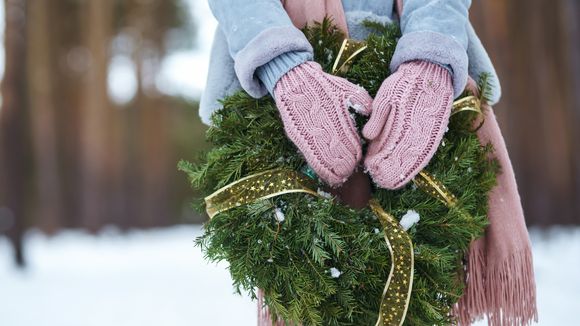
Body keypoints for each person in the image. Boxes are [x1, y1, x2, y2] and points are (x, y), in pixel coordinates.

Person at [201, 1, 536, 325]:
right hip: (280, 88)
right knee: (312, 295)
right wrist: (283, 67)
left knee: (429, 295)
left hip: (410, 51)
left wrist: (430, 62)